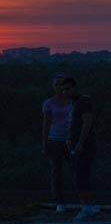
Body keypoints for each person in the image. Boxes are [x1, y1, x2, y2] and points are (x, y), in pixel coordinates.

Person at [61, 77, 99, 220]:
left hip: (84, 146)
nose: (65, 92)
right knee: (80, 176)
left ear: (75, 87)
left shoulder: (84, 101)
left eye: (68, 89)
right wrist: (69, 139)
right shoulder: (74, 103)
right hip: (76, 145)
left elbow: (87, 123)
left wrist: (80, 143)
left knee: (80, 177)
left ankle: (86, 207)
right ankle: (88, 206)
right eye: (63, 89)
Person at [42, 74, 72, 212]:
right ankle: (59, 202)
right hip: (54, 140)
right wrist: (44, 143)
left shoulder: (73, 101)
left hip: (71, 140)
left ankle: (83, 199)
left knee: (77, 169)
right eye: (56, 85)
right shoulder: (49, 103)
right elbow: (46, 124)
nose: (59, 87)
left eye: (61, 84)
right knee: (56, 171)